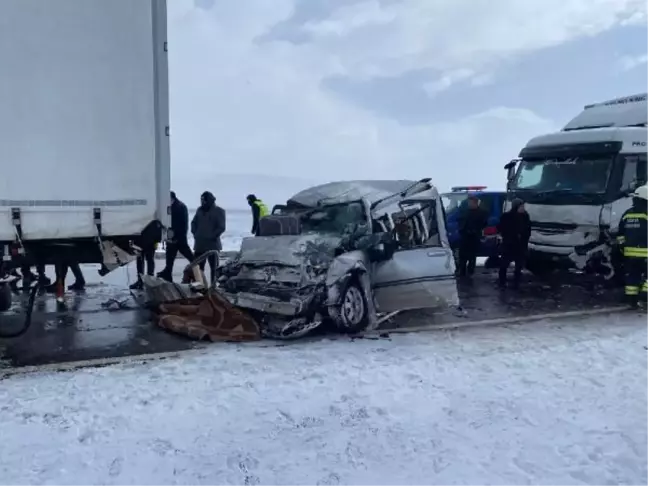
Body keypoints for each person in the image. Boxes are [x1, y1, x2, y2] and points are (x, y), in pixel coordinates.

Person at [616, 184, 648, 308]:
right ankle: (645, 299)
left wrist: (622, 246)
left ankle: (631, 299)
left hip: (629, 253)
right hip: (646, 252)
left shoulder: (627, 213)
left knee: (632, 276)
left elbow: (620, 234)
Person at [157, 191, 194, 282]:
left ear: (171, 198)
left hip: (179, 237)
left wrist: (175, 236)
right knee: (169, 256)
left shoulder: (180, 207)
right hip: (172, 236)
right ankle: (167, 273)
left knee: (188, 254)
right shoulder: (172, 206)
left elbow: (181, 224)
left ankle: (197, 268)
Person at [191, 191, 226, 284]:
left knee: (214, 268)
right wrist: (195, 233)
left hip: (212, 245)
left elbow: (221, 227)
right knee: (197, 267)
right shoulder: (199, 210)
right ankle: (200, 286)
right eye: (201, 200)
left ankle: (213, 287)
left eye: (204, 200)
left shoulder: (219, 211)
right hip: (199, 245)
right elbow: (193, 222)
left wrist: (211, 236)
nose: (202, 202)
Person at [497, 198, 531, 288]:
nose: (523, 208)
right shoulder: (506, 216)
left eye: (523, 206)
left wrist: (524, 237)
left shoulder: (525, 216)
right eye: (521, 206)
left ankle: (516, 283)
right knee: (504, 265)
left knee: (519, 266)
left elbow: (528, 229)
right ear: (516, 207)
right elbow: (501, 228)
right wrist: (512, 234)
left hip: (521, 246)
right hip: (509, 245)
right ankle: (502, 283)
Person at [457, 195, 488, 278]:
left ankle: (470, 272)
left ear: (476, 203)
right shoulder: (465, 211)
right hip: (465, 237)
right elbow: (460, 221)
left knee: (472, 256)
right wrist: (463, 230)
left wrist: (475, 230)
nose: (470, 204)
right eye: (469, 202)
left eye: (471, 202)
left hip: (474, 237)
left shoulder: (481, 213)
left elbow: (483, 223)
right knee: (462, 256)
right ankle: (462, 272)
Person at [130, 221, 162, 290]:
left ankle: (147, 281)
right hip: (142, 232)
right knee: (141, 259)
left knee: (148, 258)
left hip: (150, 232)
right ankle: (142, 281)